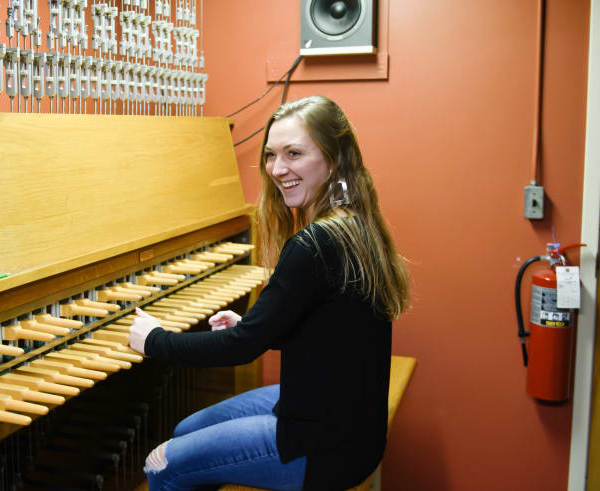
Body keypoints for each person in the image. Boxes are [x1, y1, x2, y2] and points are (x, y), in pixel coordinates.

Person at [128, 95, 410, 491]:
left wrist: (154, 341)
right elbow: (332, 329)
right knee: (186, 427)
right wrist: (258, 325)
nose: (278, 169)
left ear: (334, 157)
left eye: (294, 153)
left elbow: (242, 349)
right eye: (271, 155)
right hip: (346, 422)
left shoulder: (315, 243)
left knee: (161, 465)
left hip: (323, 445)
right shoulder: (354, 224)